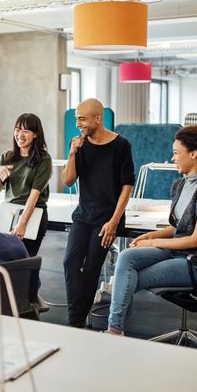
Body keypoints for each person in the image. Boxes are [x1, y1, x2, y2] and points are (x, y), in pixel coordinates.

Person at [106, 125, 197, 335]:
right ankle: (115, 328)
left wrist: (152, 242)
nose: (172, 158)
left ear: (194, 154)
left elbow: (196, 240)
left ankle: (115, 330)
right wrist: (150, 235)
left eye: (176, 153)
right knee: (126, 257)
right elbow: (177, 227)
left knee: (129, 278)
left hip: (196, 262)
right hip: (176, 252)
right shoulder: (179, 185)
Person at [62, 98, 134, 328]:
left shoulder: (121, 145)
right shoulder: (79, 144)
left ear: (97, 118)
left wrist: (114, 221)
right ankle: (77, 321)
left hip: (107, 219)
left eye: (82, 119)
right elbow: (68, 180)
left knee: (91, 269)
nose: (78, 124)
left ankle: (75, 323)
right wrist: (72, 153)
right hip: (83, 215)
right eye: (77, 119)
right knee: (70, 262)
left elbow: (127, 185)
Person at [0, 113, 52, 257]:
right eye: (17, 130)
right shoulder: (7, 156)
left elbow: (34, 196)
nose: (20, 135)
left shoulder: (43, 159)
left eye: (26, 131)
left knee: (26, 261)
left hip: (33, 213)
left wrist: (22, 223)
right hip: (9, 211)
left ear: (35, 134)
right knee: (5, 260)